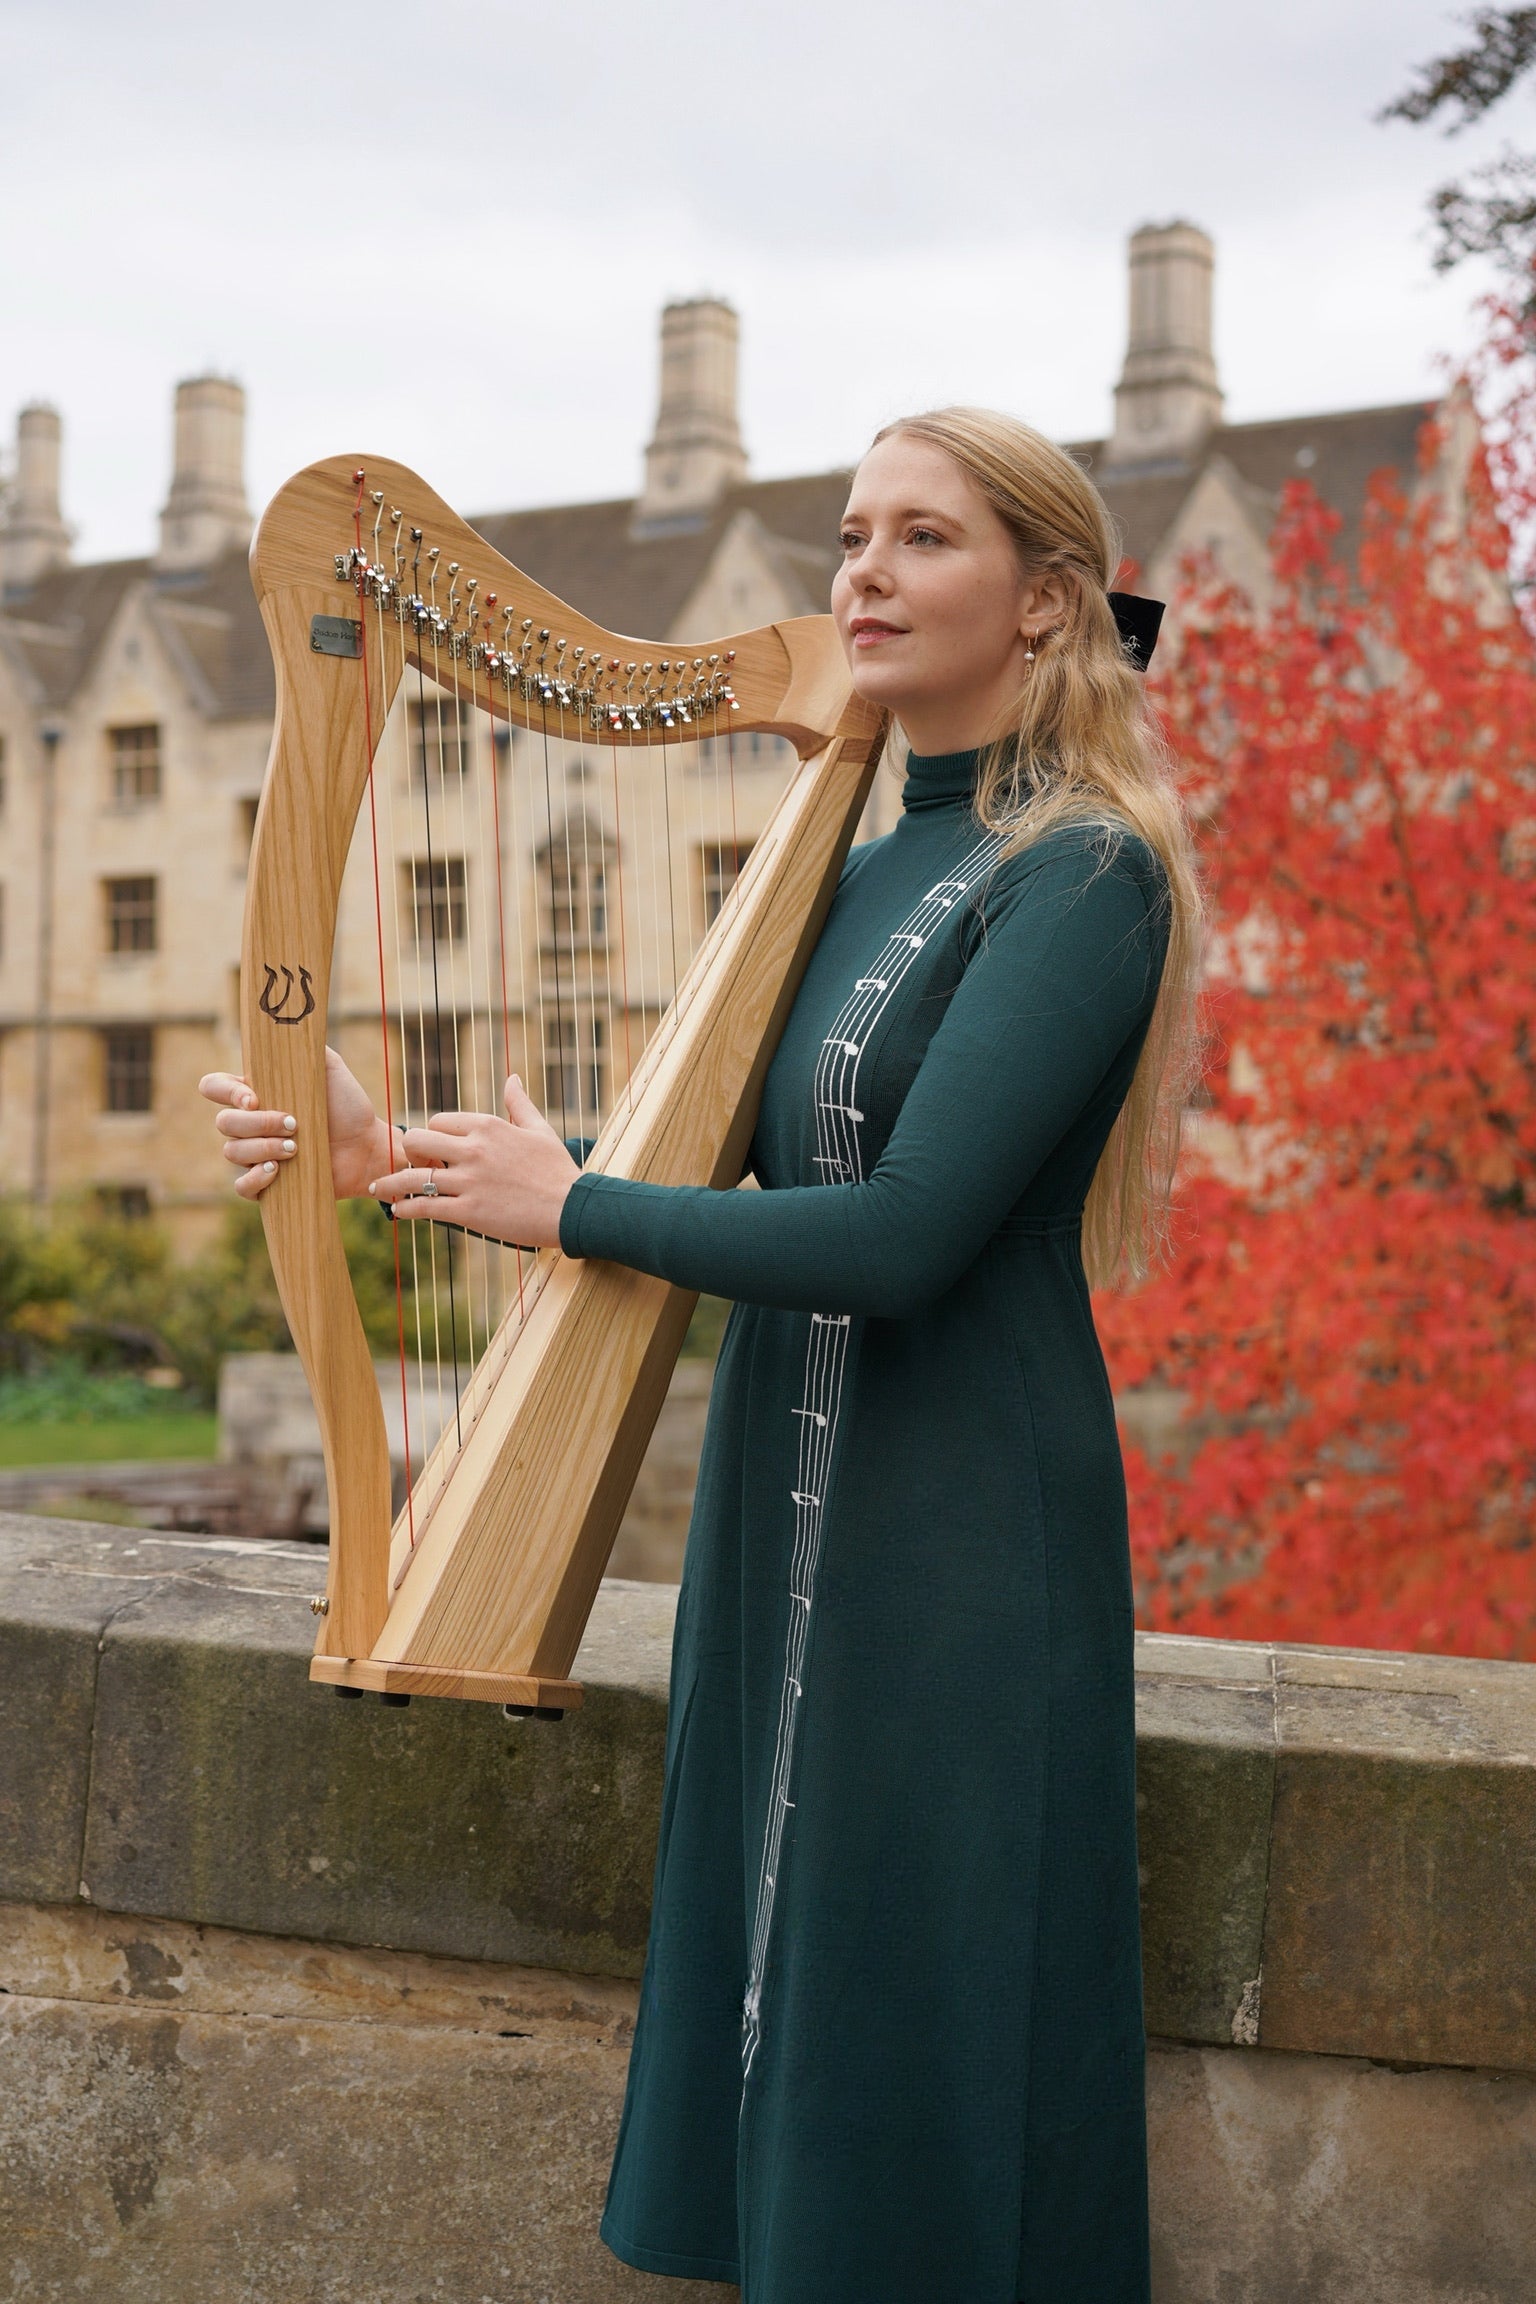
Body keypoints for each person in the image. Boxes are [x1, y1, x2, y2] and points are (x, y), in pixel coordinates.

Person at [201, 407, 1201, 2304]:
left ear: (1052, 605)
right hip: (789, 1502)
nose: (862, 578)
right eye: (852, 537)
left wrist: (567, 1209)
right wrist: (389, 1149)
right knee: (788, 1966)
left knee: (931, 1998)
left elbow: (897, 1236)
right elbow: (702, 1174)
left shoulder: (1086, 875)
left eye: (923, 540)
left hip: (963, 1529)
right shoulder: (848, 861)